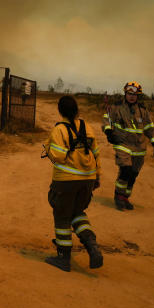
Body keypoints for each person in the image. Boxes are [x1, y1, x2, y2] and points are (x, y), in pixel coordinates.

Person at [42, 95, 103, 272]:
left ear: (59, 110)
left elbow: (58, 156)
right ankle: (92, 244)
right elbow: (96, 154)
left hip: (66, 180)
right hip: (88, 178)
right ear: (76, 110)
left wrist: (48, 149)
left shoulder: (59, 130)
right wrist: (97, 176)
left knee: (62, 215)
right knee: (77, 212)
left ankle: (63, 257)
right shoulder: (88, 127)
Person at [102, 81, 154, 211]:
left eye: (135, 94)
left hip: (139, 147)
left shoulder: (143, 110)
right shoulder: (116, 108)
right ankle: (118, 196)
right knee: (125, 170)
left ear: (138, 96)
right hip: (122, 143)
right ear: (125, 93)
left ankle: (125, 197)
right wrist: (108, 131)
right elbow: (107, 120)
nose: (132, 96)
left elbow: (149, 128)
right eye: (129, 93)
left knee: (133, 174)